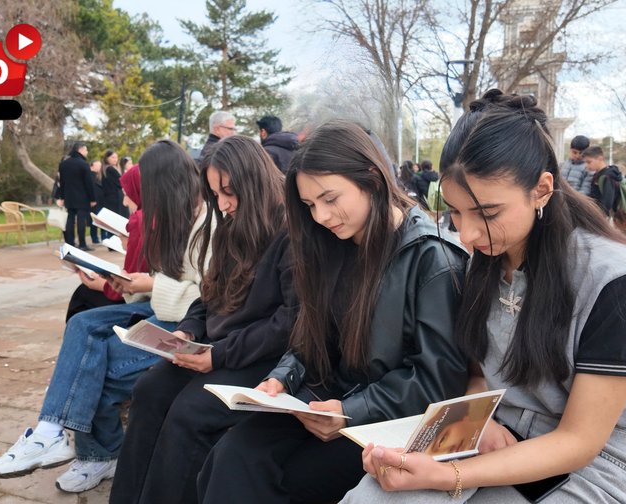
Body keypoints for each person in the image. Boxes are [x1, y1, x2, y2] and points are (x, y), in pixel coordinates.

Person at [341, 89, 626, 504]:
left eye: (487, 213)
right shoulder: (486, 257)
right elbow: (480, 371)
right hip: (494, 431)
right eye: (455, 211)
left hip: (599, 459)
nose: (465, 233)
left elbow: (579, 440)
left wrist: (451, 476)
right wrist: (472, 416)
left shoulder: (616, 280)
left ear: (541, 189)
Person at [197, 118, 470, 504]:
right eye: (309, 205)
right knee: (232, 456)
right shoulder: (331, 243)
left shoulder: (432, 258)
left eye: (330, 199)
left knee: (278, 481)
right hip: (327, 400)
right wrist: (282, 379)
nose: (321, 216)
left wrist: (351, 410)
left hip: (390, 423)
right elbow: (313, 334)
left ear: (372, 178)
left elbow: (437, 380)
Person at [0, 140, 210, 493]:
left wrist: (149, 281)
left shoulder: (208, 221)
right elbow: (167, 277)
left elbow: (209, 296)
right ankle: (50, 431)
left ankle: (97, 454)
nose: (136, 197)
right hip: (161, 307)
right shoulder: (169, 215)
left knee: (97, 366)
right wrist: (129, 283)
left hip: (187, 324)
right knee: (81, 324)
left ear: (164, 183)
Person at [109, 135, 295, 504]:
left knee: (188, 413)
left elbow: (290, 321)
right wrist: (186, 331)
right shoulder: (229, 224)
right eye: (216, 194)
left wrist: (220, 355)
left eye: (230, 192)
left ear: (254, 181)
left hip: (261, 356)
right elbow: (207, 294)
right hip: (215, 347)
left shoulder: (291, 232)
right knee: (148, 391)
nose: (223, 204)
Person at [65, 166, 147, 322]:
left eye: (126, 194)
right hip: (155, 299)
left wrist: (102, 285)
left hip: (143, 301)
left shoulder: (141, 221)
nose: (124, 202)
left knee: (82, 298)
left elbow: (131, 285)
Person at [58, 142, 96, 251]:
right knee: (81, 220)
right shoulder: (83, 164)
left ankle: (70, 243)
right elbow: (89, 183)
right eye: (86, 150)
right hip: (82, 197)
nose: (87, 152)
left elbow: (62, 182)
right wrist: (92, 198)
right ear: (81, 150)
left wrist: (62, 197)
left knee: (70, 218)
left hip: (69, 196)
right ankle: (82, 243)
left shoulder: (63, 164)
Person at [582, 145, 622, 216]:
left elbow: (607, 201)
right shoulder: (597, 174)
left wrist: (602, 216)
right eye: (585, 162)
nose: (586, 165)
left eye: (589, 162)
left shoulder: (608, 176)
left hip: (605, 216)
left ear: (600, 159)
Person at [102, 150, 128, 218]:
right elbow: (121, 181)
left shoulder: (108, 169)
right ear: (107, 158)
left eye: (116, 157)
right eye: (112, 157)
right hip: (115, 198)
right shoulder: (109, 169)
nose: (115, 159)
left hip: (112, 197)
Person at [88, 159, 105, 244]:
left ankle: (103, 238)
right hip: (94, 201)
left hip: (101, 201)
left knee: (102, 220)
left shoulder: (100, 176)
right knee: (94, 221)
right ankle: (95, 238)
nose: (99, 167)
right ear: (92, 167)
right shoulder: (89, 176)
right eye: (97, 166)